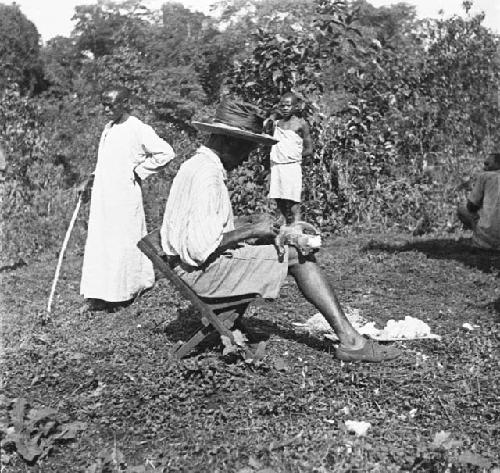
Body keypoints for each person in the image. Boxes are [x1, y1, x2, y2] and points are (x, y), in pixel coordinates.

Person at [160, 100, 400, 362]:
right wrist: (252, 230)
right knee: (298, 254)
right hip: (202, 275)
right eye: (246, 151)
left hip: (190, 268)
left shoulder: (197, 166)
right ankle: (351, 342)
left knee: (288, 246)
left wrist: (252, 221)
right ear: (230, 142)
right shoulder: (207, 176)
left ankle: (350, 338)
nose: (245, 160)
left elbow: (203, 228)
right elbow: (199, 249)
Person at [79, 86, 176, 311]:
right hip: (104, 196)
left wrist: (138, 172)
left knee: (122, 242)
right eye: (103, 103)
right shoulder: (109, 127)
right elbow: (106, 161)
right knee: (102, 242)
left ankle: (125, 292)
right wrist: (91, 179)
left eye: (110, 104)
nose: (105, 108)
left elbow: (166, 152)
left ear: (125, 103)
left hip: (124, 196)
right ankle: (99, 293)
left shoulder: (137, 128)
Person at [266, 92, 313, 223]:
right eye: (282, 106)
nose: (285, 108)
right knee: (279, 199)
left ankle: (297, 228)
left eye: (288, 105)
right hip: (276, 165)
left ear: (295, 107)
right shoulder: (276, 124)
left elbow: (309, 149)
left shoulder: (301, 124)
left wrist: (294, 156)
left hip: (292, 166)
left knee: (293, 201)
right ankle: (284, 229)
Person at [457, 147, 500, 250]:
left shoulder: (485, 176)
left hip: (488, 238)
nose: (484, 167)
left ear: (498, 165)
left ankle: (480, 238)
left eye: (487, 164)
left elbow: (471, 207)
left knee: (462, 208)